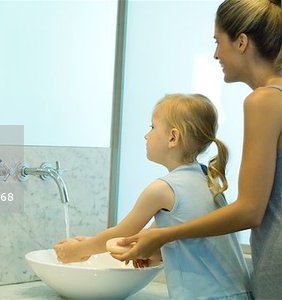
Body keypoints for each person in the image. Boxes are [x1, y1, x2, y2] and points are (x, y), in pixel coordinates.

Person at [113, 0, 282, 298]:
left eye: (218, 42)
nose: (216, 53)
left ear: (242, 42)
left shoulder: (264, 100)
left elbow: (250, 211)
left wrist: (161, 236)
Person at [54, 94, 252, 299]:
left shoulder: (162, 189)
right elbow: (145, 240)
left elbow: (122, 232)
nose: (146, 136)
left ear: (173, 137)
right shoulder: (207, 180)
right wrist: (142, 251)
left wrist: (78, 250)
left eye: (152, 127)